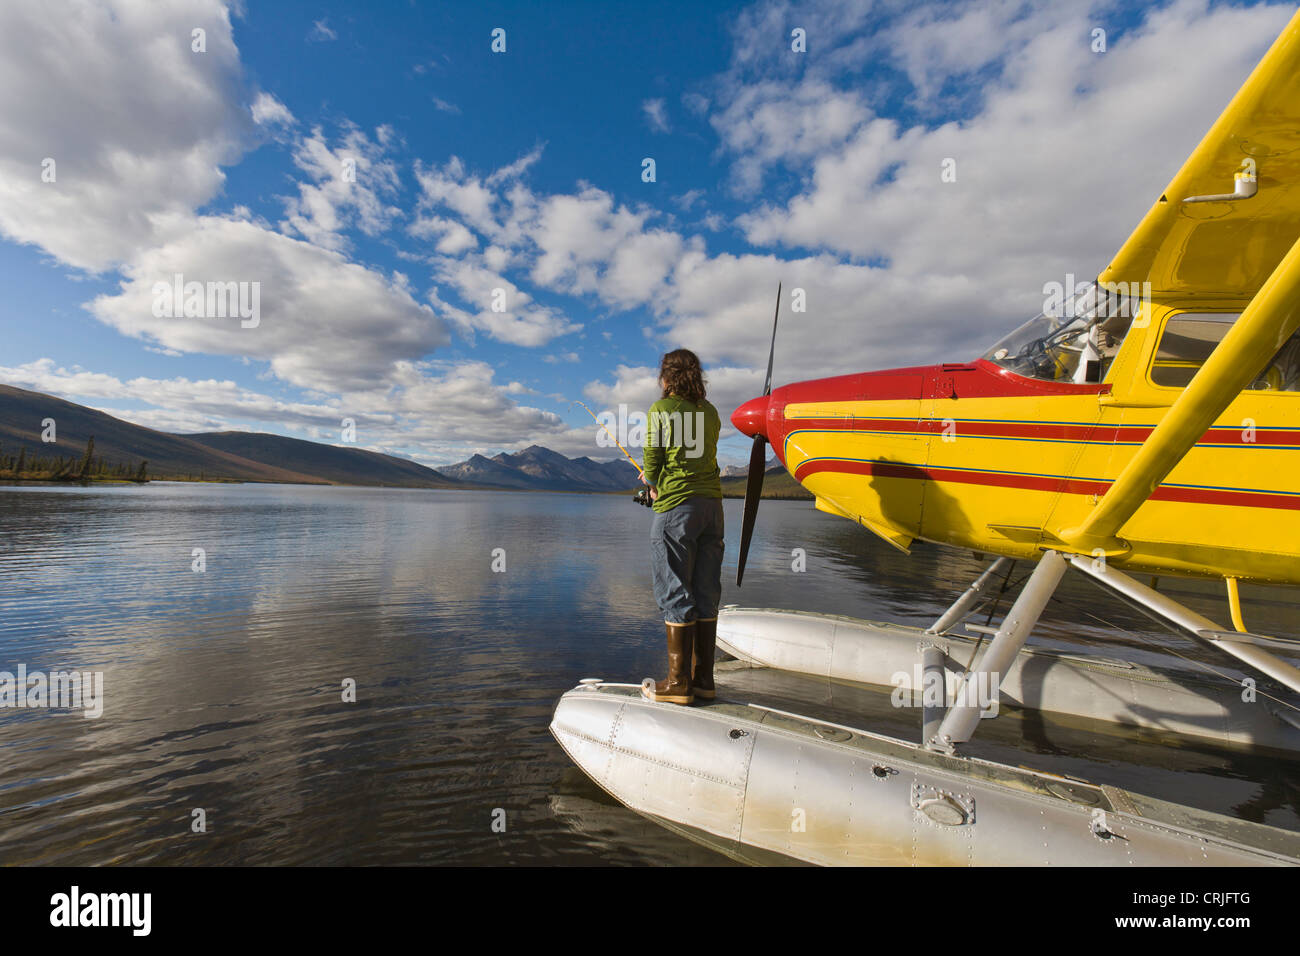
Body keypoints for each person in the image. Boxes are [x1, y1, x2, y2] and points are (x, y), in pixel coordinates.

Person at [640, 348, 724, 705]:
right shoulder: (711, 412)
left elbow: (654, 456)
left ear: (667, 377)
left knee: (675, 591)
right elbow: (703, 454)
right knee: (705, 592)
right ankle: (704, 679)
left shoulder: (661, 410)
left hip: (676, 508)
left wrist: (651, 480)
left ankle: (678, 684)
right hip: (712, 508)